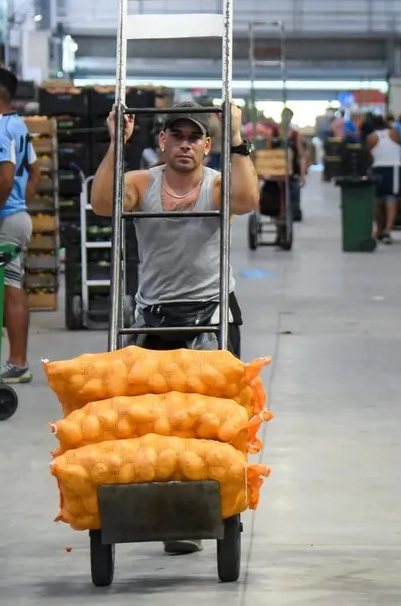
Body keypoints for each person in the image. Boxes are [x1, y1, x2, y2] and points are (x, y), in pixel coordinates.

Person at [90, 102, 259, 555]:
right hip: (155, 318)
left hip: (211, 316)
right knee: (161, 424)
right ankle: (174, 515)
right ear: (162, 141)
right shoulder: (141, 182)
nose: (185, 144)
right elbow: (103, 204)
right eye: (176, 136)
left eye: (194, 137)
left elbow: (247, 201)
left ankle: (216, 508)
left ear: (207, 145)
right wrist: (115, 143)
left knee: (213, 423)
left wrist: (237, 135)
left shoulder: (218, 186)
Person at [0, 67, 42, 385]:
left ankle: (17, 363)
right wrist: (22, 204)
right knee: (13, 286)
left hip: (2, 221)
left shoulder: (1, 131)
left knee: (10, 290)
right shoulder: (19, 126)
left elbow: (3, 179)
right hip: (14, 217)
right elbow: (36, 170)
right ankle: (17, 361)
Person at [365, 115, 401, 244]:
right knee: (391, 199)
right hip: (394, 169)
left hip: (377, 169)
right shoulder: (394, 134)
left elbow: (369, 156)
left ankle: (379, 229)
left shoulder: (371, 138)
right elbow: (400, 145)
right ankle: (387, 230)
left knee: (378, 200)